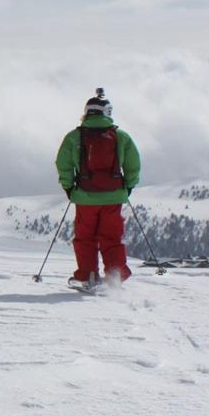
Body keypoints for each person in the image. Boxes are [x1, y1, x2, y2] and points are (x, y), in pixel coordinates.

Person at [56, 89, 141, 288]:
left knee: (85, 238)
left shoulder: (74, 137)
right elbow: (133, 164)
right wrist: (127, 187)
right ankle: (115, 276)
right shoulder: (121, 136)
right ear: (107, 112)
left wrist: (69, 188)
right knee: (111, 238)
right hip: (113, 198)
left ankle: (86, 277)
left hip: (85, 197)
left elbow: (63, 164)